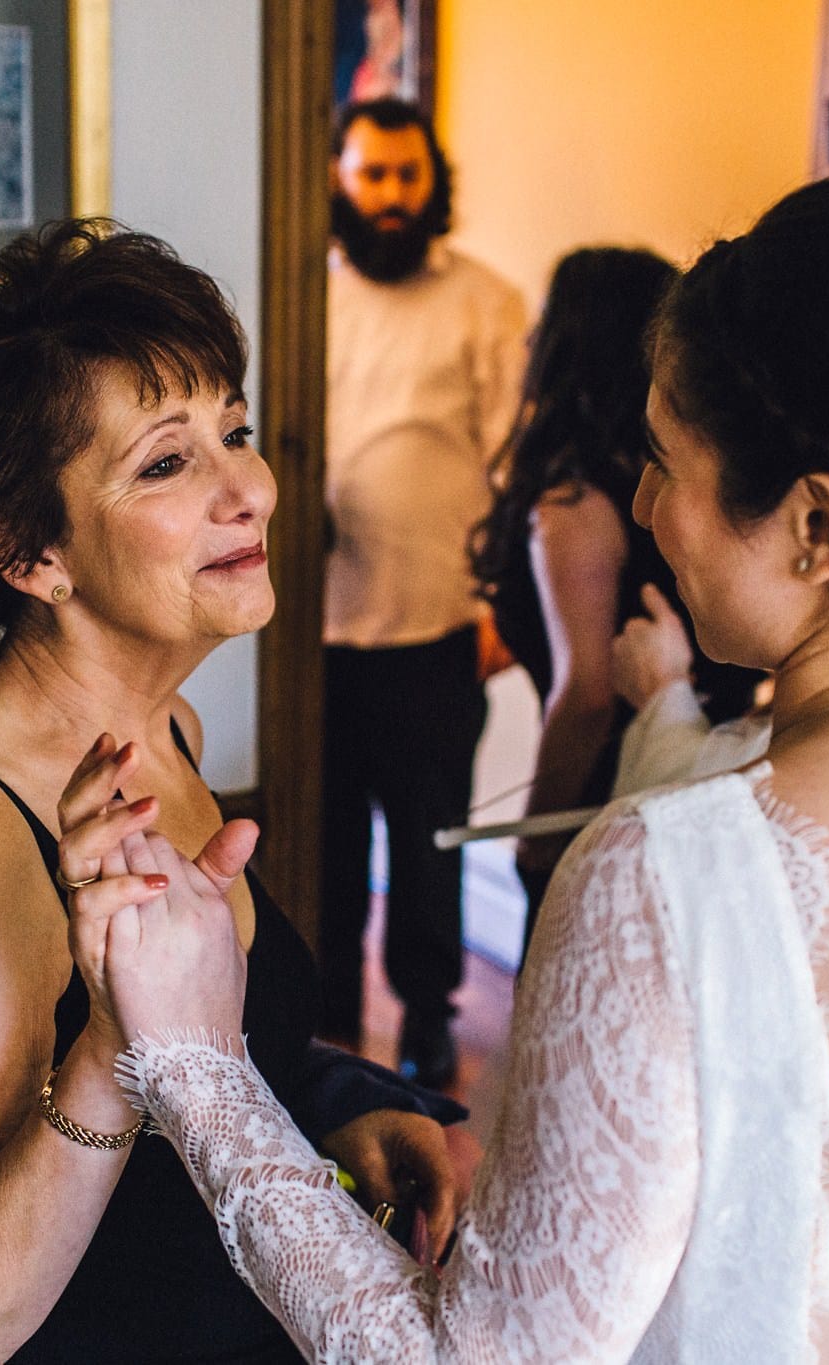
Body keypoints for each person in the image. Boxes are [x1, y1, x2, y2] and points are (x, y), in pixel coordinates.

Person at [65, 167, 829, 1360]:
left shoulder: (678, 884)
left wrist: (193, 1062)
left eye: (666, 460)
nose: (646, 506)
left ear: (816, 528)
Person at [0, 220, 463, 1363]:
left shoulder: (166, 732)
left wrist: (343, 1108)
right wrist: (112, 1045)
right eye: (167, 461)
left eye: (234, 431)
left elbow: (223, 1046)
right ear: (28, 551)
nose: (247, 489)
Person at [320, 96, 528, 1085]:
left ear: (429, 181)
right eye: (373, 176)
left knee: (427, 838)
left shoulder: (485, 302)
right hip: (310, 633)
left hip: (437, 624)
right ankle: (318, 1025)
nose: (391, 196)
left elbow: (512, 468)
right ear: (338, 181)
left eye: (407, 176)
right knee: (320, 841)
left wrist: (497, 604)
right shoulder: (300, 296)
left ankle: (429, 1021)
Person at [472, 247, 762, 942]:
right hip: (704, 773)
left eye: (545, 317)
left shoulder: (575, 498)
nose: (528, 337)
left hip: (608, 796)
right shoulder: (674, 477)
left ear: (574, 340)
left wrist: (536, 835)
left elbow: (586, 694)